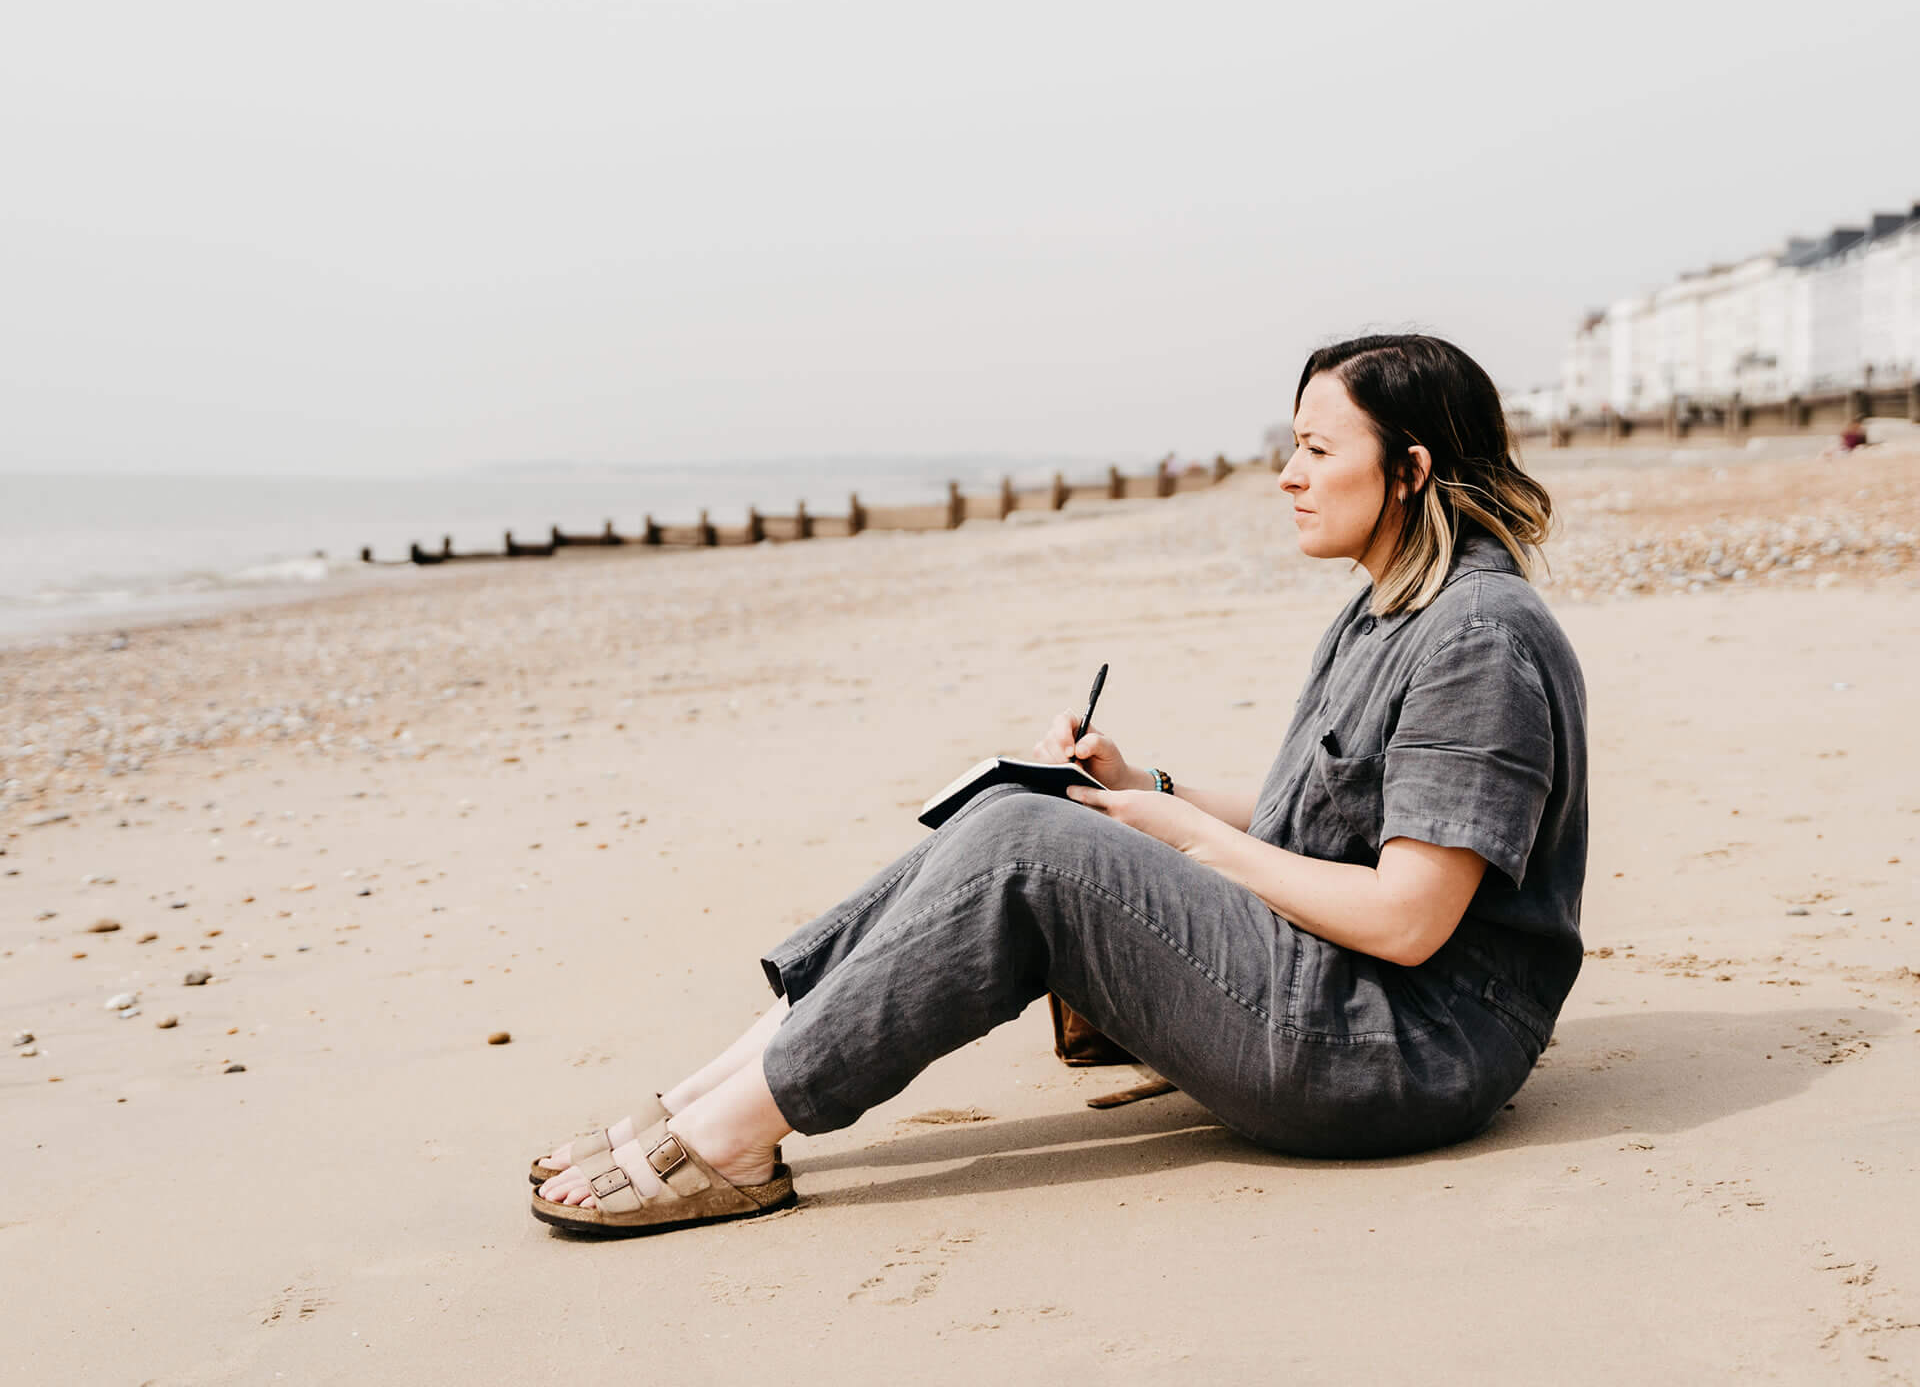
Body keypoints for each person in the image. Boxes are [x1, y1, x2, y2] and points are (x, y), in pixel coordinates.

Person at [530, 333, 1589, 1235]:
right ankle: (703, 1099)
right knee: (1017, 807)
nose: (1287, 474)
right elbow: (1307, 830)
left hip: (1406, 1051)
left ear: (1407, 471)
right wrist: (1137, 783)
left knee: (1026, 850)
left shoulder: (1477, 639)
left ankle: (729, 1140)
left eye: (1316, 448)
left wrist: (1178, 832)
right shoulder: (1389, 608)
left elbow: (1408, 920)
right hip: (1344, 1000)